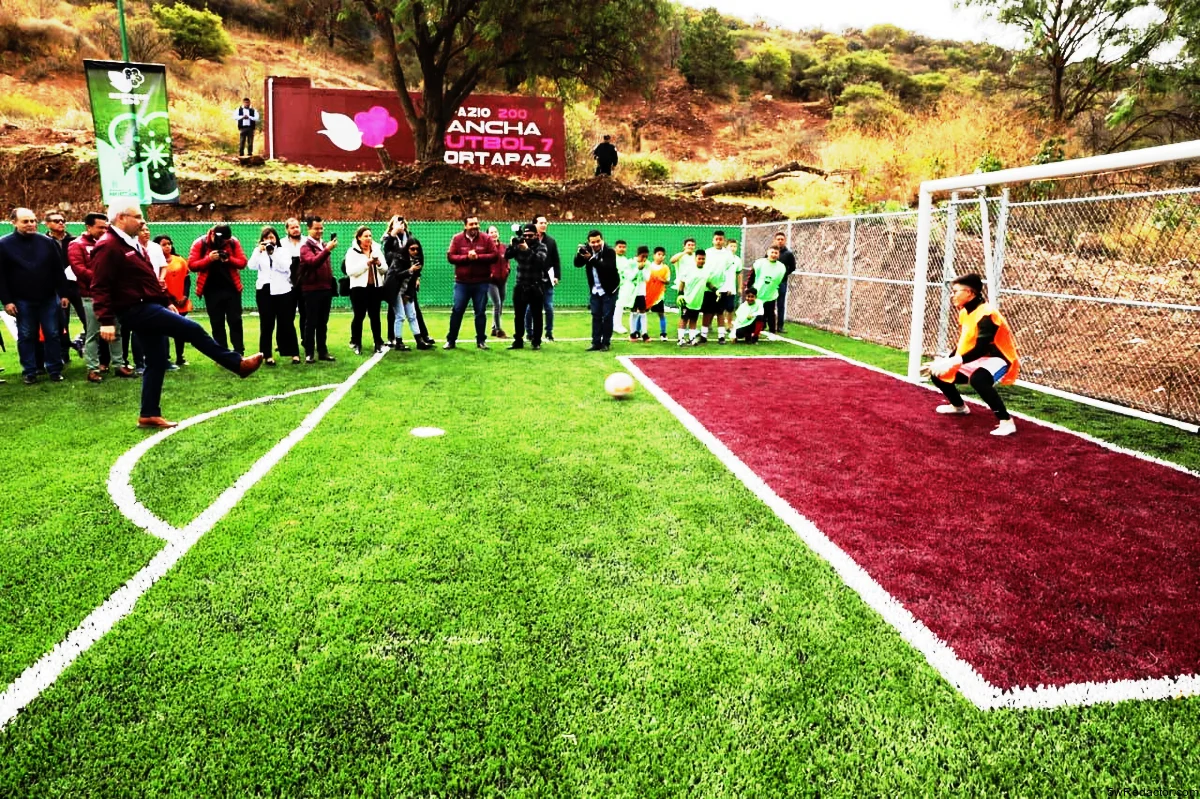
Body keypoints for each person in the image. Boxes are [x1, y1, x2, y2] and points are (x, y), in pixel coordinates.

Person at [91, 201, 263, 429]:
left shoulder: (129, 243)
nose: (143, 221)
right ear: (122, 218)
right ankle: (237, 364)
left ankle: (148, 414)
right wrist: (105, 320)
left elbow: (147, 279)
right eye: (138, 216)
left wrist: (165, 302)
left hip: (148, 305)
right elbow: (99, 285)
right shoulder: (109, 245)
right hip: (135, 309)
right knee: (191, 329)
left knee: (156, 360)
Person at [927, 273, 1021, 437]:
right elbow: (965, 342)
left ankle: (1006, 421)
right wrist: (947, 361)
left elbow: (981, 348)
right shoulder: (965, 312)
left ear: (970, 293)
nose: (952, 295)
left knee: (979, 379)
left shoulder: (987, 314)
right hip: (976, 357)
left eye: (956, 291)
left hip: (997, 357)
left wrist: (954, 361)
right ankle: (959, 407)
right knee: (938, 374)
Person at [0, 208, 72, 384]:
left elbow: (58, 270)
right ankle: (29, 372)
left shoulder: (47, 242)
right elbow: (0, 276)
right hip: (21, 300)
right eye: (26, 221)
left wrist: (64, 293)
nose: (31, 224)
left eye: (33, 221)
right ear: (14, 223)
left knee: (53, 334)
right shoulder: (4, 244)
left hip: (48, 297)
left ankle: (55, 369)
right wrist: (7, 301)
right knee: (26, 335)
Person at [68, 212, 132, 382]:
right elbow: (79, 269)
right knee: (93, 334)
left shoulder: (110, 243)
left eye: (106, 227)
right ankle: (92, 368)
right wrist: (103, 279)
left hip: (113, 296)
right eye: (100, 227)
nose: (104, 230)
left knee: (117, 331)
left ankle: (119, 365)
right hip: (91, 296)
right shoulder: (77, 245)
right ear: (88, 227)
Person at [188, 224, 247, 354]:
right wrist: (208, 259)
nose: (223, 243)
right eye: (222, 240)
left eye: (226, 241)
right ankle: (222, 353)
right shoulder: (200, 243)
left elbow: (242, 262)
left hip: (231, 288)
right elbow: (192, 265)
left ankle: (239, 352)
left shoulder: (233, 242)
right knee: (216, 322)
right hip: (211, 290)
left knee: (235, 320)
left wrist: (229, 259)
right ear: (213, 234)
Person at [445, 215, 501, 350]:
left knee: (480, 312)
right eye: (471, 224)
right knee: (457, 310)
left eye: (476, 223)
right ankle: (451, 340)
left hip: (481, 282)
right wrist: (466, 257)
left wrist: (478, 257)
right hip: (462, 283)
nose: (475, 226)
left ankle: (481, 340)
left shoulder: (486, 239)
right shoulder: (457, 239)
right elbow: (451, 257)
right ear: (465, 226)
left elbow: (495, 255)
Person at [247, 226, 300, 365]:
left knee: (286, 322)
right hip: (264, 290)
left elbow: (285, 268)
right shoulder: (258, 252)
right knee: (266, 324)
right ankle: (266, 355)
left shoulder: (282, 251)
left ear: (276, 238)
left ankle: (293, 353)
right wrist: (259, 251)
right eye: (266, 238)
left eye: (271, 237)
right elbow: (251, 266)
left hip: (283, 290)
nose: (269, 240)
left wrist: (273, 253)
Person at [43, 209, 84, 362]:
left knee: (88, 318)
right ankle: (63, 355)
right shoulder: (43, 242)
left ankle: (89, 347)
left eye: (63, 220)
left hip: (76, 286)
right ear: (47, 224)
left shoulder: (74, 241)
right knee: (61, 323)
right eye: (56, 220)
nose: (61, 223)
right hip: (56, 289)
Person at [298, 216, 338, 363]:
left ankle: (323, 351)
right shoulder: (305, 247)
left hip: (325, 289)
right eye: (316, 228)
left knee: (323, 322)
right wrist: (327, 250)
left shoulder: (323, 244)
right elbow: (313, 263)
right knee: (311, 322)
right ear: (308, 229)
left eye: (321, 228)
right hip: (311, 289)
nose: (319, 231)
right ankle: (309, 352)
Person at [345, 225, 388, 355]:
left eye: (370, 236)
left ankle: (378, 342)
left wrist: (379, 263)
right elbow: (350, 271)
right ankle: (356, 343)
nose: (368, 238)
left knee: (375, 316)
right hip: (358, 289)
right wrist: (367, 264)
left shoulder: (377, 250)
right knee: (359, 316)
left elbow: (385, 269)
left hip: (375, 288)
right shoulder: (352, 252)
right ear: (359, 238)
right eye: (365, 236)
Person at [504, 223, 548, 350]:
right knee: (518, 315)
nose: (527, 238)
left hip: (535, 286)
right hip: (520, 285)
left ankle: (536, 341)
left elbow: (540, 262)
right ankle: (518, 340)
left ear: (536, 235)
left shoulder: (542, 246)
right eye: (525, 235)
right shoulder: (519, 244)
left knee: (537, 316)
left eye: (530, 235)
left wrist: (527, 250)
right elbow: (507, 255)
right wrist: (513, 245)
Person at [573, 230, 619, 351]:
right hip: (595, 289)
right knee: (596, 316)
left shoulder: (609, 251)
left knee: (607, 316)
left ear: (602, 240)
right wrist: (579, 254)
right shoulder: (587, 250)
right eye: (593, 242)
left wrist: (591, 258)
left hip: (609, 289)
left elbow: (607, 269)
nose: (596, 244)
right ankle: (596, 343)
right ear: (589, 242)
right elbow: (577, 264)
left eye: (598, 241)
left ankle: (606, 343)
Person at [156, 235, 194, 368]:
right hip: (165, 301)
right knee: (164, 330)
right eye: (164, 244)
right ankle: (165, 358)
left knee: (180, 329)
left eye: (169, 244)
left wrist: (184, 296)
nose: (167, 246)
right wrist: (170, 299)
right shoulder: (156, 263)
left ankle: (180, 357)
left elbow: (187, 280)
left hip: (181, 301)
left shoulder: (180, 260)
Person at [384, 237, 427, 351]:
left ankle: (419, 341)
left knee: (412, 315)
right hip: (394, 290)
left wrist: (408, 294)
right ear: (407, 249)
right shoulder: (399, 258)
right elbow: (397, 275)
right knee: (400, 316)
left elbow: (413, 281)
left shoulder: (417, 261)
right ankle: (398, 342)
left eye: (417, 249)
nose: (415, 252)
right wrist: (410, 270)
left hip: (406, 290)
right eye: (412, 249)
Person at [276, 217, 305, 358]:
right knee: (287, 316)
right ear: (287, 229)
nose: (296, 229)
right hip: (287, 285)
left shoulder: (306, 242)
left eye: (297, 226)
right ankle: (284, 344)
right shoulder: (281, 244)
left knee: (305, 315)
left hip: (305, 285)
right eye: (292, 227)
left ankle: (306, 341)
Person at [529, 215, 560, 341]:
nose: (544, 225)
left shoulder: (551, 241)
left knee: (549, 307)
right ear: (535, 224)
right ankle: (529, 333)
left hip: (547, 280)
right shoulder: (528, 239)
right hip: (531, 279)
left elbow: (556, 260)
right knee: (529, 308)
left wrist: (556, 276)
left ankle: (549, 332)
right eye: (541, 222)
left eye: (545, 222)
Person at [676, 248, 714, 346]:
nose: (701, 261)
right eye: (699, 258)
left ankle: (692, 338)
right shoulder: (688, 269)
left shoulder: (706, 270)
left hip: (698, 301)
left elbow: (708, 283)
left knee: (694, 320)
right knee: (684, 319)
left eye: (703, 259)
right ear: (695, 258)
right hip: (687, 300)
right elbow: (682, 282)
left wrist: (715, 290)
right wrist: (680, 294)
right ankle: (680, 339)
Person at [748, 245, 787, 333]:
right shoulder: (759, 263)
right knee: (756, 312)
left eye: (776, 253)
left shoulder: (781, 267)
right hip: (758, 293)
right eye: (772, 252)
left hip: (770, 294)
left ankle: (772, 330)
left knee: (770, 313)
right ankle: (753, 329)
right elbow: (752, 276)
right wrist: (749, 288)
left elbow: (780, 279)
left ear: (778, 255)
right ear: (767, 253)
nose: (774, 254)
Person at [486, 225, 510, 339]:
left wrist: (507, 269)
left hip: (503, 280)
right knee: (497, 304)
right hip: (491, 281)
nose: (494, 234)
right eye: (491, 232)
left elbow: (507, 261)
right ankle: (499, 330)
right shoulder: (486, 248)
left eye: (495, 231)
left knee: (500, 305)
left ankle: (493, 328)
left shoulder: (504, 247)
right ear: (487, 235)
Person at [772, 230, 796, 334]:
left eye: (782, 239)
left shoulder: (788, 254)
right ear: (775, 240)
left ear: (785, 240)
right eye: (778, 239)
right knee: (769, 304)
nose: (780, 241)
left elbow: (793, 267)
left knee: (780, 304)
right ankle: (766, 324)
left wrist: (784, 274)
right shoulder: (771, 252)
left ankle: (780, 326)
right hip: (771, 283)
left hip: (782, 283)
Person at [646, 246, 671, 341]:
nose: (660, 256)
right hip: (648, 295)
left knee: (661, 314)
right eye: (659, 254)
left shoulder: (665, 268)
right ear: (654, 256)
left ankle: (663, 334)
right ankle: (639, 332)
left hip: (659, 296)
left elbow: (668, 281)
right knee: (642, 313)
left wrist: (662, 280)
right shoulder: (648, 266)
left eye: (662, 255)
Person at [627, 246, 651, 342]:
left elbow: (647, 278)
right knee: (633, 311)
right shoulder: (630, 263)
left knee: (643, 312)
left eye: (646, 256)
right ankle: (633, 333)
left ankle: (644, 333)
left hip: (641, 292)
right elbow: (630, 277)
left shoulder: (648, 264)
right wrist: (637, 269)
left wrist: (642, 269)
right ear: (637, 254)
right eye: (642, 256)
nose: (644, 258)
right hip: (632, 292)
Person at [612, 240, 633, 334]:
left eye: (624, 247)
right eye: (620, 247)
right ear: (615, 247)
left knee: (619, 305)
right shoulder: (611, 258)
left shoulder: (625, 260)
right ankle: (615, 325)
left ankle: (617, 325)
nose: (622, 249)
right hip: (612, 286)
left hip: (622, 286)